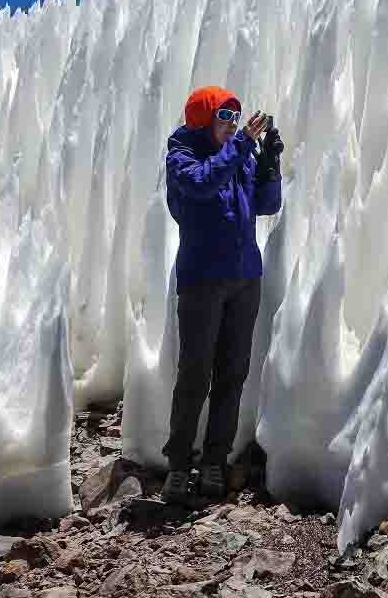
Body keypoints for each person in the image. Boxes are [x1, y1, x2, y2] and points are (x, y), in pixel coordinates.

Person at [160, 85, 284, 504]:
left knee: (232, 373)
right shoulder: (182, 156)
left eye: (236, 117)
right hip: (202, 280)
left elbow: (267, 205)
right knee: (195, 374)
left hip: (244, 279)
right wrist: (243, 145)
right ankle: (179, 464)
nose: (232, 124)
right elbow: (201, 184)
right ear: (202, 118)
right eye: (224, 116)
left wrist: (269, 163)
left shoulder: (238, 155)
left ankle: (215, 459)